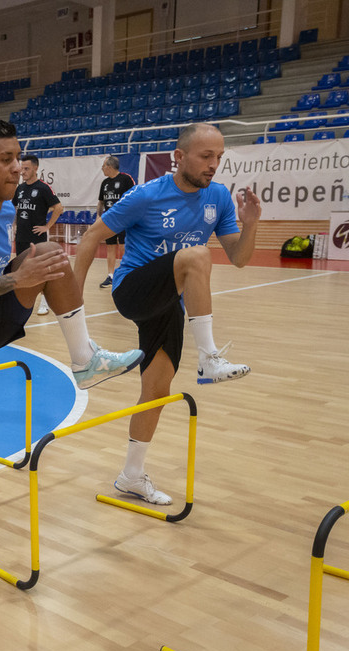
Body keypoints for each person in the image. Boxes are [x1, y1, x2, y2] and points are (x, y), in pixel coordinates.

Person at [0, 120, 143, 590]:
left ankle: (85, 360)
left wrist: (22, 274)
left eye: (18, 157)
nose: (17, 167)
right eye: (6, 159)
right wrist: (14, 282)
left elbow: (8, 270)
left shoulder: (4, 211)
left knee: (48, 255)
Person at [73, 122, 258, 506]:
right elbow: (92, 236)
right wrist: (72, 308)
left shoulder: (218, 198)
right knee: (196, 255)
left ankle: (131, 476)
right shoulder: (146, 195)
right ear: (179, 157)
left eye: (219, 157)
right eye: (206, 156)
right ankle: (208, 359)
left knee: (156, 391)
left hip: (167, 299)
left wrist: (251, 223)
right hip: (133, 290)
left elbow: (240, 258)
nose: (214, 164)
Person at [13, 154, 63, 315]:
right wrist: (14, 223)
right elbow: (15, 208)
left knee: (40, 270)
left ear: (35, 168)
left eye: (26, 169)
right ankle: (21, 302)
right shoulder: (20, 189)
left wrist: (47, 226)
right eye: (22, 169)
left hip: (37, 238)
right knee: (20, 269)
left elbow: (58, 208)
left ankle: (44, 301)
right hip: (21, 236)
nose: (23, 172)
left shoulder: (43, 188)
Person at [96, 155, 136, 288]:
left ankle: (128, 273)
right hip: (109, 220)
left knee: (124, 246)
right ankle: (110, 276)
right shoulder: (105, 183)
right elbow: (101, 202)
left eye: (103, 166)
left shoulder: (126, 179)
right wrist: (98, 216)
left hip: (124, 220)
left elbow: (134, 197)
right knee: (110, 247)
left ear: (110, 166)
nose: (102, 168)